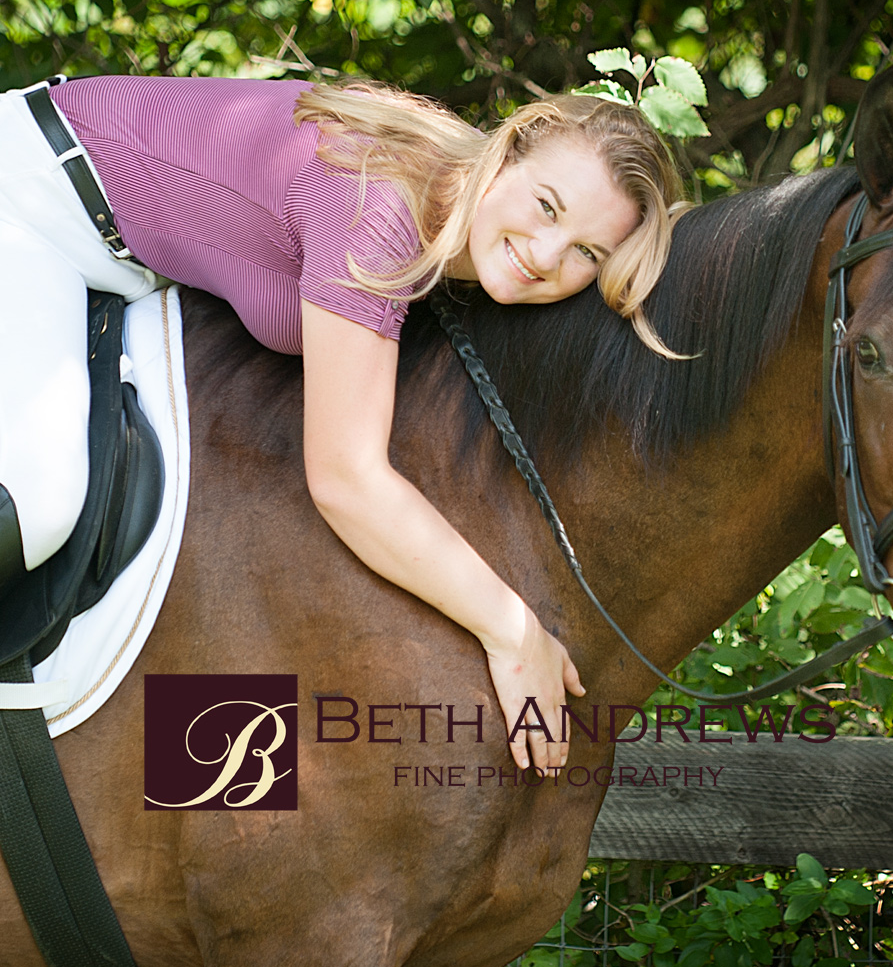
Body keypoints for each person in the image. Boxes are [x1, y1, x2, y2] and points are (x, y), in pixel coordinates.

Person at [0, 74, 685, 772]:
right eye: (546, 206)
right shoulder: (380, 206)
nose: (545, 255)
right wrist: (514, 632)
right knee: (43, 498)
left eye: (587, 254)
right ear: (507, 151)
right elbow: (345, 478)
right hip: (29, 201)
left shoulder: (450, 217)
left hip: (119, 261)